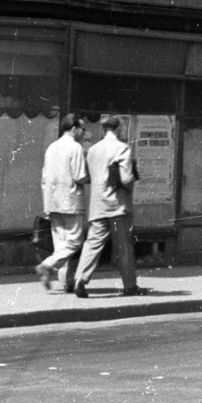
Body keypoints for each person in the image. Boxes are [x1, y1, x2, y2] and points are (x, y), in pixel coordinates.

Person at [74, 116, 146, 298]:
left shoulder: (93, 150)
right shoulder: (122, 149)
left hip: (97, 205)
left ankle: (80, 280)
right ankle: (130, 286)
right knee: (124, 246)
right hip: (118, 206)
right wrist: (130, 184)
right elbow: (127, 179)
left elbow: (88, 175)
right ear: (118, 129)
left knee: (92, 243)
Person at [35, 114, 88, 292]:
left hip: (52, 201)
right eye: (83, 129)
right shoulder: (75, 148)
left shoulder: (52, 147)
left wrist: (47, 201)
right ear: (74, 128)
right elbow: (80, 176)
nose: (84, 132)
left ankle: (66, 282)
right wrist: (91, 177)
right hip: (71, 201)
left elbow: (44, 177)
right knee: (74, 241)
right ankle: (47, 265)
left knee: (61, 243)